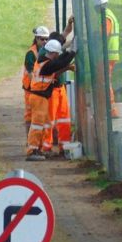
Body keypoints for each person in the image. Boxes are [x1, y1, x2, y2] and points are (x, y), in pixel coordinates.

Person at [26, 39, 75, 161]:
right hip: (39, 97)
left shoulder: (44, 60)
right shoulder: (47, 66)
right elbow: (59, 64)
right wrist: (73, 52)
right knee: (37, 125)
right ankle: (32, 150)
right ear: (53, 53)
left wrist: (68, 53)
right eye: (57, 54)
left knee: (42, 124)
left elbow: (58, 62)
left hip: (40, 97)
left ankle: (39, 148)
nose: (57, 56)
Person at [43, 17, 75, 154]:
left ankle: (64, 146)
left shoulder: (54, 45)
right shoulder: (45, 59)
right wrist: (67, 68)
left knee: (64, 118)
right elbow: (54, 73)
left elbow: (66, 33)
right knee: (49, 120)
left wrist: (69, 24)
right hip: (50, 90)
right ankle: (46, 147)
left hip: (60, 88)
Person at [92, 0, 119, 106]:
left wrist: (94, 36)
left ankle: (110, 109)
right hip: (109, 55)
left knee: (104, 82)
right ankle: (106, 107)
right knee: (104, 81)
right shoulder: (109, 14)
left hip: (107, 55)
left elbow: (104, 34)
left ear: (98, 7)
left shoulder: (106, 17)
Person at [22, 25, 50, 133]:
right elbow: (29, 72)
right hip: (30, 88)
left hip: (39, 89)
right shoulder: (31, 53)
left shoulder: (46, 50)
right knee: (29, 115)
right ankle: (28, 141)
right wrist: (35, 87)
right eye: (42, 39)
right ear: (36, 39)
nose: (44, 41)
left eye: (46, 39)